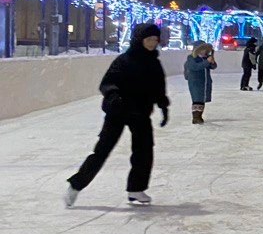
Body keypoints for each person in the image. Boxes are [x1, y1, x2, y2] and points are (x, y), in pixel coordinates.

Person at [63, 23, 170, 208]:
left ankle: (136, 189)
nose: (152, 43)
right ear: (139, 40)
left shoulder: (154, 63)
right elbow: (107, 82)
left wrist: (163, 105)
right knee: (102, 151)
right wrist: (113, 95)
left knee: (144, 152)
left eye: (155, 39)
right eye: (149, 39)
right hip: (118, 112)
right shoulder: (124, 60)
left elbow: (158, 87)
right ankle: (76, 185)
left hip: (141, 113)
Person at [184, 41, 217, 124]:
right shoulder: (191, 58)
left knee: (202, 99)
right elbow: (194, 67)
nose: (204, 51)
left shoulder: (206, 57)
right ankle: (196, 117)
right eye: (202, 49)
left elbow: (213, 66)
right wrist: (207, 62)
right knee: (197, 99)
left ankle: (199, 116)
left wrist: (212, 62)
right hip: (195, 82)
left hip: (205, 82)